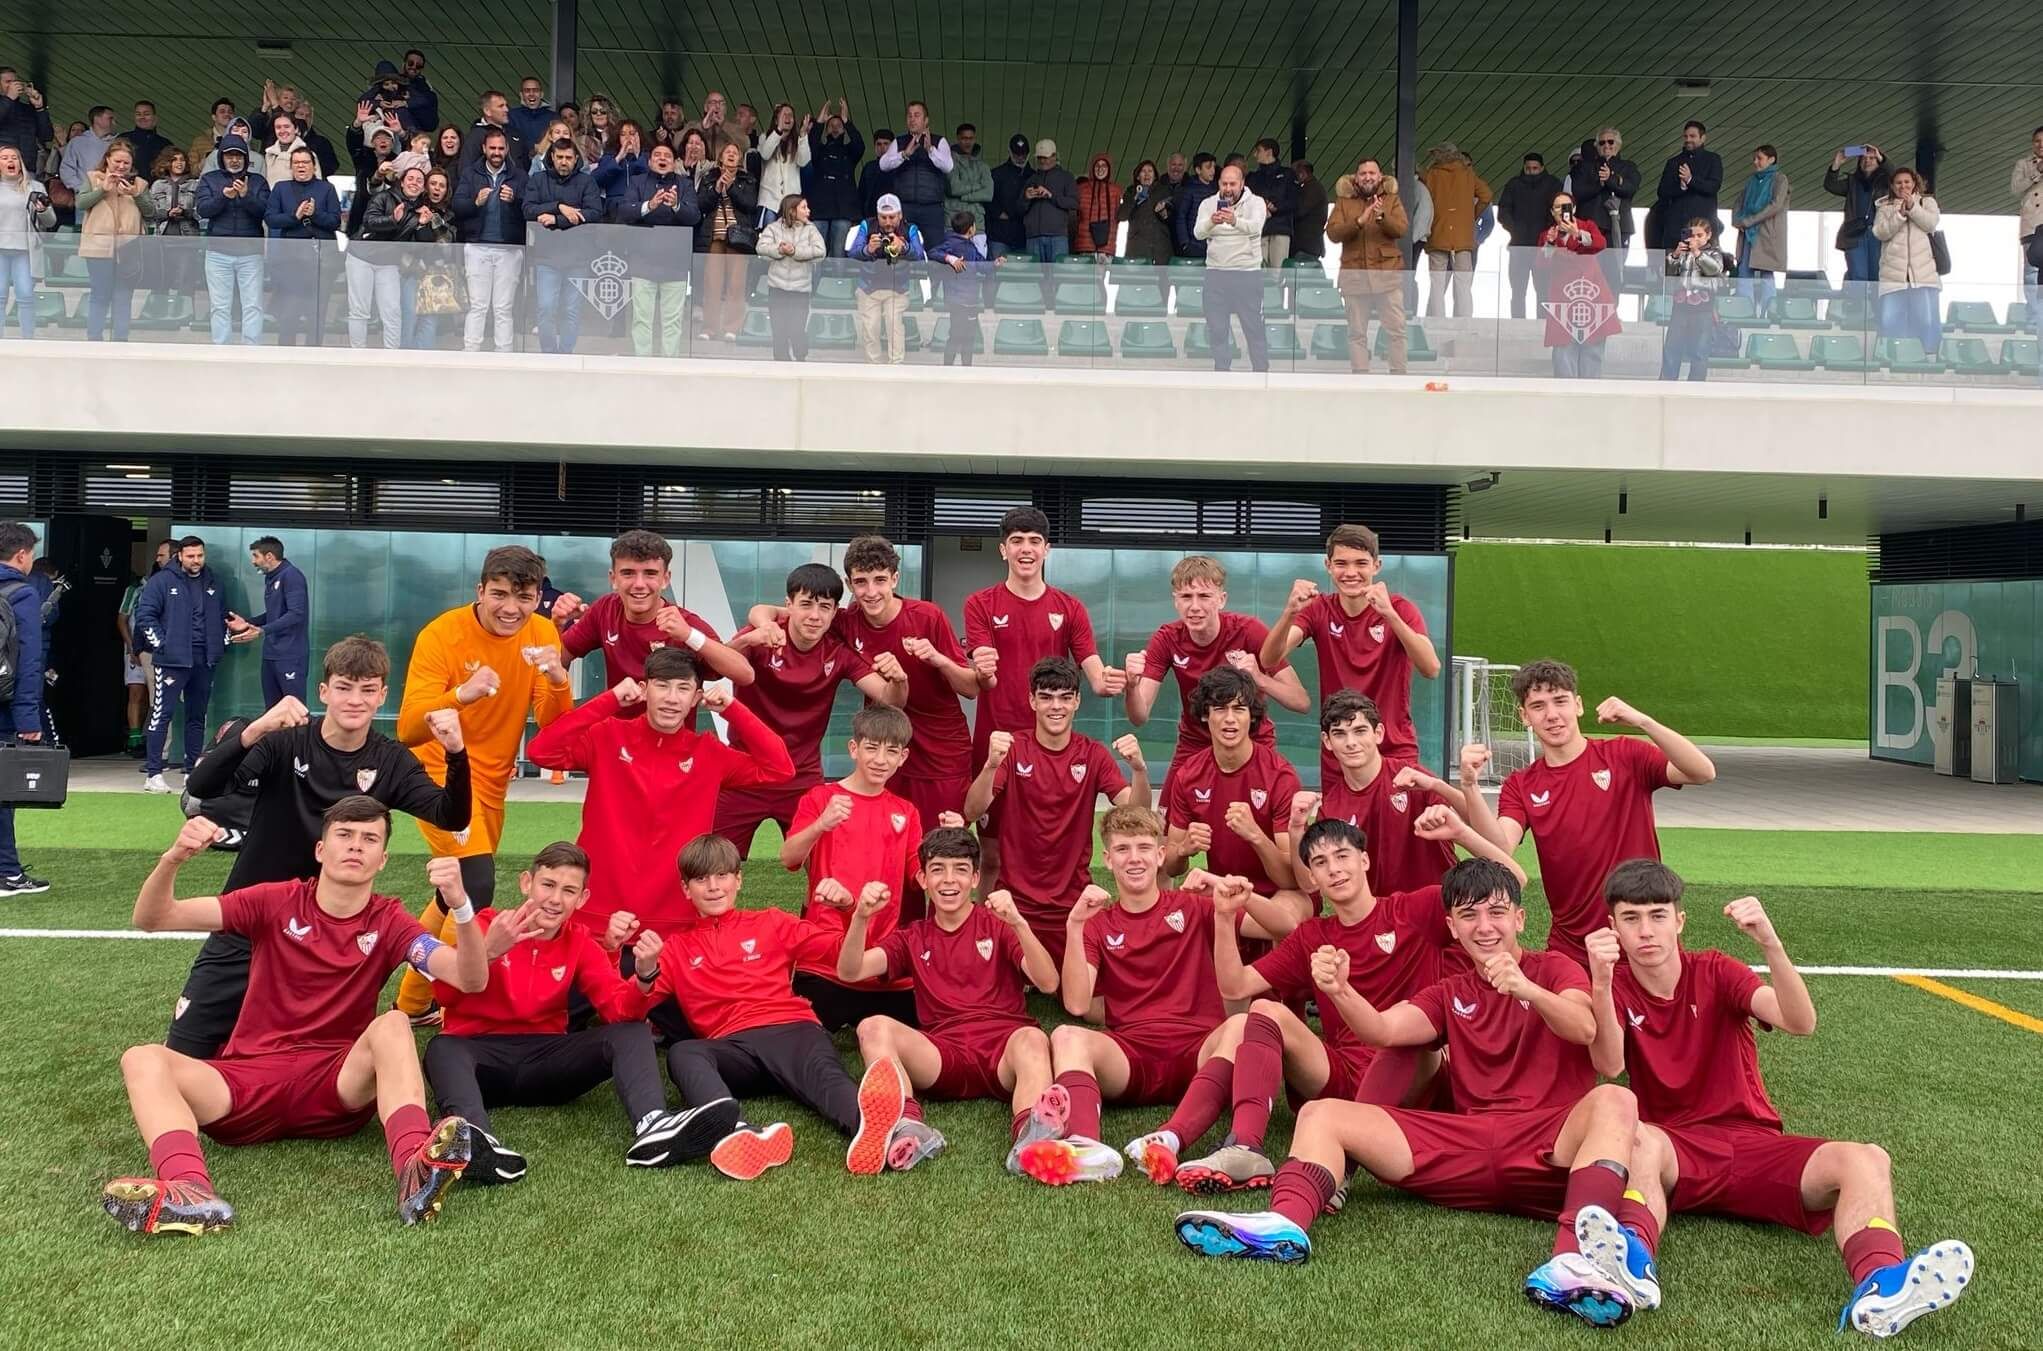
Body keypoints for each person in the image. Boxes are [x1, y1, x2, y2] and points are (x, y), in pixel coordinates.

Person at [1173, 859, 1662, 1336]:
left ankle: (1571, 1260)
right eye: (1469, 915)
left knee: (1616, 1102)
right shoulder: (1449, 989)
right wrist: (1341, 990)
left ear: (1520, 918)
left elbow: (1584, 1029)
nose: (1484, 926)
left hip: (1547, 1149)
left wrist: (1527, 989)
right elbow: (1383, 1029)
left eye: (1496, 912)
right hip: (1465, 1148)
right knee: (1323, 1114)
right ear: (1451, 925)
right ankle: (1283, 1223)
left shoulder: (1554, 968)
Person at [1588, 861, 1976, 1339]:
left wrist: (1770, 942)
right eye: (1631, 918)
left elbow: (1800, 1021)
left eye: (1657, 915)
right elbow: (1608, 1065)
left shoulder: (1715, 970)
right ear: (1612, 928)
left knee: (1866, 1158)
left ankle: (1881, 1286)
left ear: (1679, 921)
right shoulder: (1615, 985)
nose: (1646, 931)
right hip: (1673, 1152)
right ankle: (1631, 1263)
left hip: (1751, 1144)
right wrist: (1601, 981)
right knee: (1639, 1138)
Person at [101, 800, 487, 1236]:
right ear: (321, 849)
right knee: (142, 1058)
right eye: (345, 835)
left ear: (383, 860)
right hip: (244, 1084)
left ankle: (415, 1169)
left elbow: (468, 979)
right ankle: (190, 1193)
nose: (355, 847)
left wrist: (460, 907)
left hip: (334, 1087)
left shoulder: (389, 919)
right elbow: (153, 918)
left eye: (370, 839)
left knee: (394, 1024)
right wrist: (173, 860)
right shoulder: (275, 900)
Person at [1136, 810, 1518, 1193]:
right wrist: (1223, 917)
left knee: (1416, 1042)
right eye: (1320, 862)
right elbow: (1236, 986)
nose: (1333, 869)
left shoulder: (1414, 909)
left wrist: (1461, 832)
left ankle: (1343, 1169)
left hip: (1413, 1076)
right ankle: (1245, 1147)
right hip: (1342, 1074)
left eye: (1342, 856)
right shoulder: (1312, 936)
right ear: (1312, 878)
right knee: (1265, 1010)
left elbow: (1511, 882)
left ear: (1364, 860)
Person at [167, 636, 471, 1060]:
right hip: (251, 918)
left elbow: (450, 815)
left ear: (383, 694)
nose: (355, 700)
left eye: (368, 690)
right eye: (344, 687)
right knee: (182, 1054)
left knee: (314, 1062)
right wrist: (254, 730)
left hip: (329, 935)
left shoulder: (391, 761)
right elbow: (203, 788)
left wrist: (456, 753)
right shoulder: (285, 742)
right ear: (323, 691)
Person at [624, 833, 910, 1179]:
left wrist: (855, 914)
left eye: (722, 876)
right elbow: (627, 1012)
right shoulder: (676, 948)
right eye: (701, 879)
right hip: (733, 1049)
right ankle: (740, 1132)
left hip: (792, 1031)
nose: (713, 887)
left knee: (829, 1081)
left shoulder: (771, 922)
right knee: (684, 1052)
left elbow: (841, 952)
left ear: (738, 880)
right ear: (686, 889)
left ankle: (879, 1132)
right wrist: (644, 972)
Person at [423, 841, 708, 1184]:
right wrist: (488, 952)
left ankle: (653, 1125)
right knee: (442, 1047)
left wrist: (645, 976)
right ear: (526, 883)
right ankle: (474, 1141)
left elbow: (618, 1011)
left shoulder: (580, 941)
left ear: (582, 899)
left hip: (547, 1061)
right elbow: (444, 995)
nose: (556, 899)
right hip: (482, 1058)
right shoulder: (488, 924)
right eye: (548, 885)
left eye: (569, 890)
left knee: (631, 1032)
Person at [1011, 810, 1247, 1185]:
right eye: (1122, 849)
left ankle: (1171, 1138)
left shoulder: (1194, 905)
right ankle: (1085, 1146)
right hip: (1132, 1055)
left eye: (1143, 848)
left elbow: (1282, 923)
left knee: (1242, 1024)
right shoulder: (1097, 923)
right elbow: (1074, 1004)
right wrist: (1073, 926)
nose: (1133, 858)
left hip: (1199, 1049)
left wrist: (1225, 888)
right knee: (1066, 1035)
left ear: (1160, 854)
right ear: (1107, 859)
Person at [390, 546, 575, 1024]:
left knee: (449, 895)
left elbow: (554, 730)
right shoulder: (442, 634)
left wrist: (557, 677)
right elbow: (408, 727)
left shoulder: (542, 632)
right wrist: (461, 695)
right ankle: (442, 987)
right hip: (436, 776)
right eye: (499, 595)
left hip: (491, 783)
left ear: (538, 598)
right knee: (475, 885)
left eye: (524, 597)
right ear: (480, 591)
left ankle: (410, 1003)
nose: (510, 608)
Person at [836, 828, 1059, 1171]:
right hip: (943, 1055)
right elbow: (851, 971)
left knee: (1032, 1038)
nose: (948, 879)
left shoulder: (997, 925)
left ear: (974, 877)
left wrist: (1018, 923)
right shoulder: (914, 936)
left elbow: (1047, 981)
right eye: (938, 869)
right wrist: (861, 917)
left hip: (1003, 1053)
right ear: (923, 878)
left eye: (959, 869)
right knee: (872, 1026)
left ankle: (1031, 1139)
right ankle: (908, 1127)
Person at [1471, 658, 1715, 966]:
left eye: (1560, 701)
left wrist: (1644, 722)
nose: (1552, 715)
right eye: (1538, 706)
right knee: (1574, 1015)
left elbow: (1702, 772)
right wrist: (1469, 786)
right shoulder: (1521, 784)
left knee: (1659, 1012)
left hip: (1641, 932)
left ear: (1578, 705)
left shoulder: (1625, 755)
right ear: (1524, 716)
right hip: (1572, 944)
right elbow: (1500, 848)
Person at [748, 535, 975, 838]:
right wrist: (764, 625)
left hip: (941, 752)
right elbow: (769, 610)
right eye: (861, 582)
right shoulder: (844, 620)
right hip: (884, 747)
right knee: (884, 845)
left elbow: (971, 688)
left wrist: (937, 659)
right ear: (849, 584)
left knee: (942, 847)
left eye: (880, 580)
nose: (871, 592)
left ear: (895, 579)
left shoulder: (927, 616)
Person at [963, 657, 1147, 964]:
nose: (1056, 707)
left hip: (1072, 904)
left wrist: (1139, 770)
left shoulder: (1093, 754)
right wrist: (991, 764)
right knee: (993, 982)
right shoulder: (1014, 749)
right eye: (1046, 698)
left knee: (1085, 996)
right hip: (1016, 902)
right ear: (1032, 701)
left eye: (1064, 697)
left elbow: (1137, 813)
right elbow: (972, 809)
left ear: (1077, 701)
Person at [716, 562, 905, 856]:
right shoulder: (764, 634)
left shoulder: (838, 652)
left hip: (801, 777)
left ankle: (816, 905)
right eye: (806, 605)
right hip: (745, 773)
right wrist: (751, 637)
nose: (815, 616)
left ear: (834, 612)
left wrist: (898, 679)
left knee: (826, 863)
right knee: (711, 863)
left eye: (825, 608)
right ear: (788, 605)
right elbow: (716, 664)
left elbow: (888, 697)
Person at [960, 507, 1123, 849]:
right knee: (992, 854)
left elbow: (1093, 672)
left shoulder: (1070, 607)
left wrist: (1108, 679)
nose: (1026, 549)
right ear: (1003, 549)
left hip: (1050, 746)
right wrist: (983, 670)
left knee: (1048, 844)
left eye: (1035, 541)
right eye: (1016, 541)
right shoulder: (980, 604)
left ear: (1046, 549)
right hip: (998, 743)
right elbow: (985, 680)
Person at [779, 704, 928, 1030]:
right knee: (805, 1031)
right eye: (871, 748)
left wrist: (944, 855)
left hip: (878, 958)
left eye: (891, 752)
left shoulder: (906, 810)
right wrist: (821, 824)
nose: (880, 760)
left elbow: (917, 875)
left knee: (925, 1023)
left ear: (902, 757)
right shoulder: (821, 798)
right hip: (823, 957)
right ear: (854, 749)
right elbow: (789, 858)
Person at [1260, 523, 1439, 778]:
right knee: (1338, 820)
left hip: (1393, 748)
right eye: (1341, 563)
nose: (1351, 572)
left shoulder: (1399, 608)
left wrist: (1389, 615)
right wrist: (1290, 611)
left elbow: (1431, 668)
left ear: (1377, 566)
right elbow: (1268, 659)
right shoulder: (1318, 609)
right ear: (1328, 565)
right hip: (1341, 751)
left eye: (1361, 563)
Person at [1124, 555, 1309, 794]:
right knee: (1166, 826)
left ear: (1221, 600)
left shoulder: (1249, 631)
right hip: (1196, 743)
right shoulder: (1167, 638)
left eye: (1204, 596)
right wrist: (1130, 686)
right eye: (1186, 597)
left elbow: (1301, 701)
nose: (1195, 607)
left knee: (1269, 818)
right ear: (1175, 601)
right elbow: (1139, 716)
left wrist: (1260, 679)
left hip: (1252, 741)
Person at [1159, 668, 1313, 921]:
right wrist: (1184, 848)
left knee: (1285, 912)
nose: (1229, 718)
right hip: (1225, 889)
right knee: (1172, 913)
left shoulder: (1279, 775)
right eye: (1220, 709)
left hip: (1280, 894)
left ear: (1251, 717)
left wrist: (1255, 836)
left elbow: (1289, 880)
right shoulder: (1188, 775)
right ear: (1205, 716)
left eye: (1239, 709)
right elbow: (1172, 867)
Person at [1304, 690, 1482, 895]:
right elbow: (1319, 880)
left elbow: (1477, 824)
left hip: (1441, 903)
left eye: (1360, 731)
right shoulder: (1331, 808)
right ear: (1327, 741)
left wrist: (1438, 786)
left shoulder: (1413, 778)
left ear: (1378, 733)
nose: (1351, 742)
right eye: (1340, 734)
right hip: (1384, 915)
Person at [557, 529, 754, 696]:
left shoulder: (684, 623)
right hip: (618, 738)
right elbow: (556, 664)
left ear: (665, 579)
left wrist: (689, 635)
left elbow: (745, 675)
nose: (639, 585)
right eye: (628, 573)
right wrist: (557, 624)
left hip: (674, 739)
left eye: (650, 573)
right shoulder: (605, 609)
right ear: (613, 578)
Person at [133, 536, 227, 793]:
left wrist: (222, 642)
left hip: (204, 658)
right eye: (191, 556)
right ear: (180, 556)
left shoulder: (214, 580)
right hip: (171, 660)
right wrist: (162, 645)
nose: (196, 561)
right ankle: (153, 774)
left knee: (197, 716)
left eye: (200, 556)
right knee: (162, 714)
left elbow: (221, 616)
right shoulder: (162, 580)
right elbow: (145, 616)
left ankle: (192, 772)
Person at [616, 141, 700, 358]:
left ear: (674, 162)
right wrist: (649, 206)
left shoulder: (685, 185)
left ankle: (669, 365)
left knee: (672, 321)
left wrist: (676, 205)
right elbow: (624, 211)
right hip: (643, 263)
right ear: (650, 160)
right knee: (642, 319)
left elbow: (694, 216)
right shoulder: (637, 182)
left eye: (667, 156)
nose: (662, 158)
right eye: (657, 155)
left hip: (676, 265)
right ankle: (643, 364)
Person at [1325, 158, 1410, 373]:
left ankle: (1399, 377)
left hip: (1387, 277)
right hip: (1355, 279)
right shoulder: (1343, 202)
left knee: (1396, 331)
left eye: (1372, 173)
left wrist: (1382, 217)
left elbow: (1401, 229)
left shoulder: (1392, 199)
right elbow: (1333, 233)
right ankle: (1360, 379)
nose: (1368, 177)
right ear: (1356, 177)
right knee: (1356, 334)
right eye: (1363, 173)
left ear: (1380, 176)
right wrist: (1358, 222)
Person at [0, 522, 48, 895]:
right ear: (21, 555)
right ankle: (7, 872)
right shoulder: (23, 593)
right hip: (3, 708)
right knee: (3, 790)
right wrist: (28, 720)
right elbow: (29, 660)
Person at [522, 137, 604, 354]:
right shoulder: (538, 180)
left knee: (571, 310)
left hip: (578, 257)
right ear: (552, 157)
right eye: (560, 157)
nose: (564, 162)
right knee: (546, 308)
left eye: (568, 157)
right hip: (546, 257)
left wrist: (557, 219)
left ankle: (565, 354)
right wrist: (560, 207)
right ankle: (549, 354)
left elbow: (595, 212)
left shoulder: (586, 182)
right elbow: (528, 209)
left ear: (576, 158)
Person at [453, 127, 526, 353]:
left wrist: (514, 200)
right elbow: (456, 206)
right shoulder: (470, 174)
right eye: (492, 148)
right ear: (484, 149)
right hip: (477, 247)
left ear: (507, 150)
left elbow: (530, 209)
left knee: (503, 307)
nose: (496, 152)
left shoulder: (519, 176)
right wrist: (475, 202)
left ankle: (504, 354)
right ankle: (471, 352)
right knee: (478, 305)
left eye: (501, 148)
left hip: (509, 248)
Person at [263, 146, 340, 347]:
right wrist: (294, 217)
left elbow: (335, 222)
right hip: (290, 261)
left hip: (320, 261)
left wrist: (315, 214)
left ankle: (314, 357)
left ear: (313, 166)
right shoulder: (281, 188)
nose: (301, 166)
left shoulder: (326, 189)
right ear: (291, 166)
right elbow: (271, 219)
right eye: (296, 163)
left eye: (305, 162)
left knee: (317, 314)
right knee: (289, 314)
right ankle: (286, 357)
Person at [77, 140, 153, 343]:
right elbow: (81, 203)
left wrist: (136, 195)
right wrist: (102, 189)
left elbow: (151, 212)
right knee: (100, 294)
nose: (121, 166)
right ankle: (94, 339)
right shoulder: (93, 178)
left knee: (123, 295)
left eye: (126, 163)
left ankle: (121, 340)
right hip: (98, 247)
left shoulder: (139, 184)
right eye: (117, 161)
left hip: (128, 248)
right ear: (108, 159)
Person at [1195, 163, 1269, 372]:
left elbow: (1256, 228)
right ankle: (1222, 373)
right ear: (1218, 183)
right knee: (1218, 330)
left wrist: (1234, 220)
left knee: (1253, 328)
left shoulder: (1256, 203)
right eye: (1224, 183)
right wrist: (1212, 222)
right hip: (1216, 275)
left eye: (1232, 184)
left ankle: (1261, 374)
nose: (1228, 188)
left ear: (1242, 183)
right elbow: (1198, 233)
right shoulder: (1208, 204)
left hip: (1247, 275)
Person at [1536, 190, 1618, 378]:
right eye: (1557, 207)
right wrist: (1549, 243)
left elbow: (1600, 244)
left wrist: (1577, 233)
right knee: (1562, 355)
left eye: (1565, 206)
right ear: (1552, 212)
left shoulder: (1587, 225)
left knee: (1593, 352)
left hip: (1591, 297)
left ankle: (1590, 399)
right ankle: (1565, 400)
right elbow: (1540, 265)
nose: (1561, 210)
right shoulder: (1547, 234)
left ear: (1573, 208)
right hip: (1562, 301)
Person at [196, 133, 268, 344]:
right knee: (219, 306)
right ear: (221, 158)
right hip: (218, 253)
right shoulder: (210, 179)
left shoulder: (258, 181)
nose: (234, 160)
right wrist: (223, 197)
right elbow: (203, 210)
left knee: (253, 305)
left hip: (251, 253)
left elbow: (265, 211)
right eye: (229, 156)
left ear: (246, 157)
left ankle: (252, 348)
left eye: (238, 155)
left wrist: (247, 195)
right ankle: (221, 349)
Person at [220, 536, 309, 704]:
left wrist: (262, 630)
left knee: (294, 709)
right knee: (272, 711)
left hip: (290, 656)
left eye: (255, 556)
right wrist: (248, 624)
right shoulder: (272, 578)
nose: (253, 562)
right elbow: (274, 614)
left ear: (269, 556)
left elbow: (296, 614)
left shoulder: (291, 576)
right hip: (270, 655)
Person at [847, 193, 925, 364]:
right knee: (870, 328)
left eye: (892, 217)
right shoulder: (867, 225)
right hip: (868, 286)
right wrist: (868, 249)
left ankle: (896, 364)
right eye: (883, 218)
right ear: (877, 216)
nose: (888, 222)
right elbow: (853, 252)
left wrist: (903, 246)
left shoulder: (910, 228)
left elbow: (920, 255)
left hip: (897, 287)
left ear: (900, 215)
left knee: (894, 325)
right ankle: (873, 365)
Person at [1872, 167, 1942, 354]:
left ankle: (1926, 356)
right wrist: (1900, 215)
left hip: (1923, 274)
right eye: (1898, 183)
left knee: (1926, 320)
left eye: (1907, 182)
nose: (1903, 186)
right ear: (1893, 187)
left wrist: (1913, 208)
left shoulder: (1927, 202)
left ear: (1914, 183)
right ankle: (1894, 356)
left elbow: (1930, 223)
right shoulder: (1885, 207)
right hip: (1893, 276)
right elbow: (1880, 232)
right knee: (1890, 319)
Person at [694, 141, 757, 342]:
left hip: (738, 238)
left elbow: (750, 205)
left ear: (739, 159)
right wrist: (716, 189)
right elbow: (701, 205)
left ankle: (732, 327)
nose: (731, 154)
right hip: (714, 236)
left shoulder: (747, 179)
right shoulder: (709, 178)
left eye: (735, 152)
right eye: (727, 151)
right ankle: (709, 328)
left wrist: (730, 188)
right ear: (720, 157)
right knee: (712, 283)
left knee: (736, 284)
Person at [1419, 142, 1490, 317]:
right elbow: (1486, 195)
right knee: (1464, 283)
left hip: (1438, 232)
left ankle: (1437, 319)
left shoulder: (1432, 174)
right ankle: (1464, 321)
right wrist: (1471, 216)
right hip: (1463, 236)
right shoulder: (1467, 173)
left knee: (1437, 284)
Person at [1568, 128, 1641, 294]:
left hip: (1618, 229)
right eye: (1602, 142)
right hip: (1590, 229)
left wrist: (1610, 179)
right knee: (1586, 275)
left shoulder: (1629, 167)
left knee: (1614, 276)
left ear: (1618, 145)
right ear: (1596, 146)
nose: (1606, 145)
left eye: (1611, 142)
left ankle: (1612, 315)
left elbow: (1630, 189)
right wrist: (1600, 184)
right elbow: (1578, 192)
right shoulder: (1584, 167)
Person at [756, 192, 825, 361]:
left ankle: (801, 357)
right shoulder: (773, 228)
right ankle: (781, 362)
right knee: (779, 330)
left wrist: (796, 251)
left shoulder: (811, 229)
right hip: (777, 288)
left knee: (797, 329)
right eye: (804, 207)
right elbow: (760, 247)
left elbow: (820, 252)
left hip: (800, 290)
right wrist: (778, 250)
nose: (808, 211)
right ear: (792, 211)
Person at [1496, 152, 1561, 318]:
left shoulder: (1553, 185)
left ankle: (1543, 324)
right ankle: (1518, 323)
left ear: (1542, 168)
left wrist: (1548, 232)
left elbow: (1559, 211)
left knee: (1544, 289)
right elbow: (1503, 212)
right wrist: (1515, 229)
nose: (1531, 171)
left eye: (1535, 168)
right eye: (1528, 168)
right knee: (1518, 290)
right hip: (1519, 246)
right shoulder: (1514, 184)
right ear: (1523, 168)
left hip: (1544, 246)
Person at [877, 101, 952, 245]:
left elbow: (948, 166)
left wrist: (930, 149)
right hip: (905, 207)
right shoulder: (899, 142)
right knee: (900, 249)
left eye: (917, 115)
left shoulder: (939, 141)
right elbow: (883, 165)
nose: (912, 119)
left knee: (934, 251)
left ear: (926, 120)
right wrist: (904, 154)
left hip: (932, 208)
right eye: (909, 116)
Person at [1660, 216, 1725, 382]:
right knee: (1672, 348)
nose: (1695, 239)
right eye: (1692, 235)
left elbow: (1715, 269)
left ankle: (1696, 386)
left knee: (1699, 351)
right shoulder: (1682, 253)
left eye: (1699, 235)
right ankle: (1667, 383)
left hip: (1703, 309)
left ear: (1708, 236)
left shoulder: (1714, 253)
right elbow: (1668, 273)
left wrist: (1697, 253)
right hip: (1680, 307)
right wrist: (1675, 255)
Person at [0, 146, 54, 340]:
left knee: (25, 295)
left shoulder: (35, 187)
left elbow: (50, 221)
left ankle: (27, 339)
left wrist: (42, 210)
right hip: (1, 249)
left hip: (25, 249)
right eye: (4, 158)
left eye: (14, 157)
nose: (10, 161)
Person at [1730, 145, 1789, 316]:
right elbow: (1738, 202)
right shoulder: (1752, 180)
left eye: (1759, 158)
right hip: (1748, 233)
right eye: (1755, 158)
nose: (1755, 162)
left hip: (1767, 234)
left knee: (1766, 272)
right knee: (1743, 270)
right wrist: (1737, 221)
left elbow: (1775, 205)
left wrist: (1748, 221)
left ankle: (1769, 311)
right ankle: (1744, 310)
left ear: (1771, 160)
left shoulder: (1780, 179)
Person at [1822, 144, 1891, 286]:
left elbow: (1894, 173)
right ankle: (1859, 307)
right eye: (1863, 158)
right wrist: (1837, 163)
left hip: (1878, 234)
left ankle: (1874, 308)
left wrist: (1881, 157)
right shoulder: (1852, 182)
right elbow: (1831, 185)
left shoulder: (1885, 182)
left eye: (1872, 158)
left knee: (1876, 275)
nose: (1867, 161)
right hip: (1855, 234)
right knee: (1857, 277)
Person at [144, 146, 201, 307]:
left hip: (187, 240)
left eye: (182, 159)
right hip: (162, 240)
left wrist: (185, 211)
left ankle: (184, 313)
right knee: (160, 280)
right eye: (174, 159)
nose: (179, 163)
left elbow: (202, 213)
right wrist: (166, 213)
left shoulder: (195, 184)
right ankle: (158, 313)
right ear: (166, 163)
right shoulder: (157, 185)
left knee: (185, 281)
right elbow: (149, 213)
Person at [1652, 120, 1722, 249]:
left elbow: (1713, 187)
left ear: (1703, 138)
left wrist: (1690, 180)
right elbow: (1662, 192)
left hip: (1702, 229)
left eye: (1692, 136)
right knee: (1678, 264)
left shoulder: (1713, 159)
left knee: (1703, 264)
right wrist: (1681, 187)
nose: (1688, 139)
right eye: (1686, 136)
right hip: (1677, 227)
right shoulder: (1673, 162)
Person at [807, 99, 863, 257]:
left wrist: (847, 121)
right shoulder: (820, 151)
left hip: (843, 209)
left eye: (839, 126)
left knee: (839, 252)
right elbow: (810, 143)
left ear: (844, 130)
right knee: (816, 252)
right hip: (820, 208)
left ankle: (838, 282)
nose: (835, 128)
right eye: (831, 126)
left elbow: (860, 145)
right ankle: (814, 281)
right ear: (826, 131)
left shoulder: (849, 152)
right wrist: (819, 123)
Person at [1020, 139, 1078, 267]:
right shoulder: (1031, 179)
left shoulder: (1066, 177)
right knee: (1034, 280)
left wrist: (1051, 195)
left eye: (1045, 158)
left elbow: (1074, 203)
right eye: (1040, 158)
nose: (1042, 161)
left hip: (1057, 236)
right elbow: (1019, 209)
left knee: (1058, 278)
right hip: (1033, 236)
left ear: (1054, 156)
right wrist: (1026, 197)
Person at [1242, 138, 1297, 269]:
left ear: (1269, 152)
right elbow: (1247, 201)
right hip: (1259, 229)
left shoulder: (1288, 174)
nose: (1255, 155)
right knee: (1258, 269)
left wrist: (1276, 207)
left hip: (1280, 229)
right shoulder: (1253, 177)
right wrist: (1262, 208)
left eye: (1258, 151)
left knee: (1278, 272)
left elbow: (1294, 201)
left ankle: (1276, 291)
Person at [458, 90, 529, 176]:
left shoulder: (515, 134)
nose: (506, 109)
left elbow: (526, 165)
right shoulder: (475, 137)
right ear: (487, 111)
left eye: (506, 105)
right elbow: (465, 171)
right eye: (501, 106)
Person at [1117, 160, 1174, 266]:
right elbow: (1122, 216)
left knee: (1161, 281)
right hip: (1137, 246)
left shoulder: (1164, 190)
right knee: (1139, 280)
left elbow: (1171, 218)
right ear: (1138, 176)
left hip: (1160, 247)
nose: (1147, 174)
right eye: (1143, 171)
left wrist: (1163, 212)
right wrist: (1135, 198)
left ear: (1155, 175)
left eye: (1150, 171)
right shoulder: (1131, 192)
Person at [944, 122, 992, 243]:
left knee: (978, 261)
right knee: (955, 261)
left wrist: (964, 196)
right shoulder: (949, 161)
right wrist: (978, 186)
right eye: (964, 138)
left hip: (977, 226)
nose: (968, 142)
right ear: (958, 139)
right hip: (954, 224)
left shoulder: (982, 166)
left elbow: (988, 194)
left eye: (971, 138)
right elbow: (954, 188)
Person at [987, 132, 1032, 259]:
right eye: (1017, 154)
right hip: (1000, 234)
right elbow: (987, 199)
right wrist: (998, 212)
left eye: (1023, 154)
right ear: (1010, 152)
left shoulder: (1034, 176)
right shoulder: (996, 174)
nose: (1020, 157)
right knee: (997, 273)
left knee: (1023, 276)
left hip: (1024, 234)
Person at [0, 69, 53, 170]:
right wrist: (9, 98)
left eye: (15, 82)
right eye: (8, 82)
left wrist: (39, 108)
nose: (13, 85)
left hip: (26, 170)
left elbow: (47, 136)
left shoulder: (26, 109)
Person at [58, 104, 115, 194]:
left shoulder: (117, 142)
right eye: (110, 118)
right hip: (84, 198)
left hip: (111, 196)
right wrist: (81, 189)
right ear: (97, 119)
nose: (114, 122)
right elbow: (66, 169)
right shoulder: (77, 142)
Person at [1073, 152, 1118, 260]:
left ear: (1109, 169)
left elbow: (1118, 216)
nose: (1100, 169)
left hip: (1107, 247)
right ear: (1092, 168)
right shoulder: (1081, 189)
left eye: (1104, 166)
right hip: (1084, 245)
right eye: (1097, 165)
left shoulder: (1116, 191)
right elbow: (1075, 217)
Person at [117, 101, 169, 185]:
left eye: (146, 114)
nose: (142, 117)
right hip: (127, 187)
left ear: (155, 117)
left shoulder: (165, 144)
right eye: (138, 114)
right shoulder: (124, 138)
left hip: (155, 191)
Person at [261, 113, 319, 187]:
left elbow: (317, 186)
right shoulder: (269, 155)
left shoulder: (308, 155)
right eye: (278, 127)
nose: (282, 131)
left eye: (286, 126)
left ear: (296, 129)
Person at [1290, 160, 1328, 265]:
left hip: (1306, 245)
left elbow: (1300, 210)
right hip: (1308, 245)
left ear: (1301, 173)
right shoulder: (1313, 187)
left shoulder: (1313, 188)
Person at [508, 75, 554, 153]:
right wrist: (533, 146)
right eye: (527, 90)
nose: (531, 94)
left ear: (541, 94)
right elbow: (509, 140)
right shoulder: (511, 116)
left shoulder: (553, 117)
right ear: (521, 95)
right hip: (519, 163)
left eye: (535, 90)